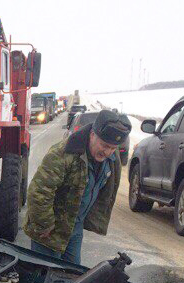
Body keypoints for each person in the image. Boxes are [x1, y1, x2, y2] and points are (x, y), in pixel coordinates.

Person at [23, 109, 132, 264]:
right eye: (104, 145)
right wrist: (44, 225)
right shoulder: (63, 154)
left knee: (73, 277)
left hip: (74, 228)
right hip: (48, 230)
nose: (108, 152)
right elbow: (39, 192)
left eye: (113, 148)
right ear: (92, 135)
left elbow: (106, 192)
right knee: (45, 279)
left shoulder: (112, 159)